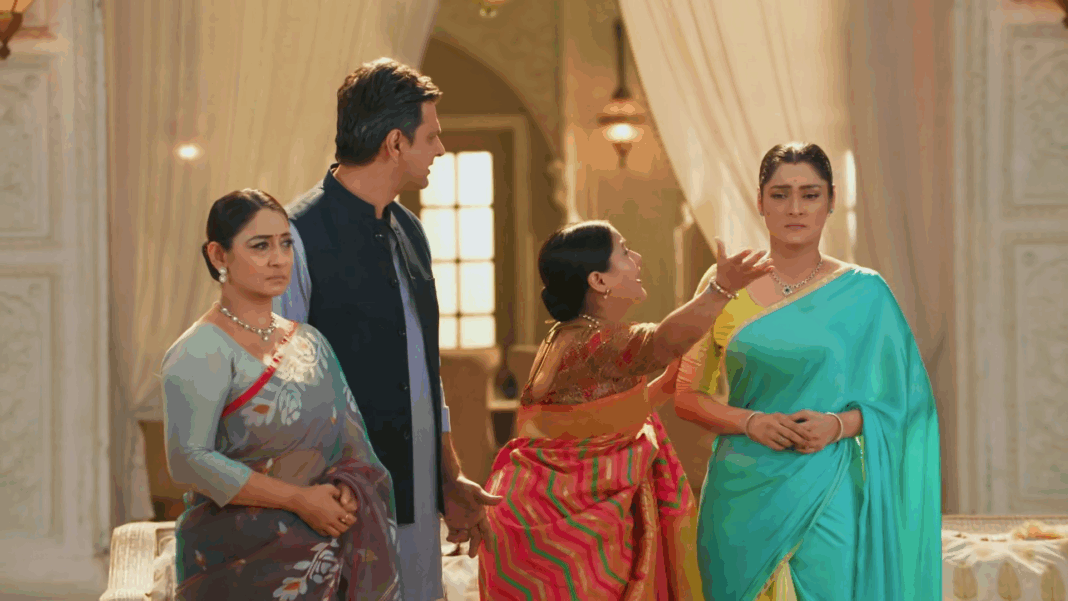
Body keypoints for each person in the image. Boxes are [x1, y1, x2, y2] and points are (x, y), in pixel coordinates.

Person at [673, 142, 942, 600]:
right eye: (779, 195)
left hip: (828, 487)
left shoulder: (865, 293)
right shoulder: (725, 287)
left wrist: (838, 425)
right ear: (760, 202)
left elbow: (908, 404)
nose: (794, 208)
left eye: (810, 194)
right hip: (741, 494)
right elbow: (686, 397)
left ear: (831, 200)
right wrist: (751, 422)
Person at [275, 58, 501, 600]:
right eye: (432, 137)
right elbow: (279, 391)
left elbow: (425, 373)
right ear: (395, 143)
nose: (440, 150)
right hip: (337, 508)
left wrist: (448, 478)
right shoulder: (295, 238)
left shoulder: (411, 231)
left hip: (417, 500)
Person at [478, 220, 774, 600]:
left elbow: (594, 419)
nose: (637, 258)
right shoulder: (599, 342)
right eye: (624, 251)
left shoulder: (564, 335)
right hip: (565, 537)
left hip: (528, 513)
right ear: (599, 281)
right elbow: (664, 341)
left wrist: (664, 386)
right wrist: (721, 289)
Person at [162, 189, 400, 600]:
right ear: (219, 256)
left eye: (286, 244)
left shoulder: (309, 342)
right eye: (260, 246)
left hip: (327, 551)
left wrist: (349, 491)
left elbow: (352, 445)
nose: (279, 259)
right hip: (235, 564)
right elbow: (188, 460)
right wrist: (300, 501)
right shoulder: (201, 349)